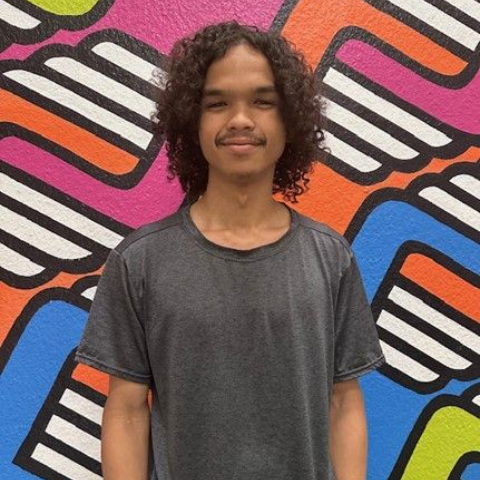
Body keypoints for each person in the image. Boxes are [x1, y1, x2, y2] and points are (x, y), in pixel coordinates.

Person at [75, 21, 385, 480]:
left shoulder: (331, 258)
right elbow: (126, 412)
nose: (240, 119)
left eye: (263, 102)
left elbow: (344, 402)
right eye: (217, 103)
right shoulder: (139, 262)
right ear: (191, 122)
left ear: (290, 120)